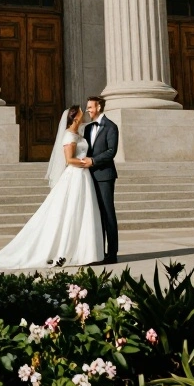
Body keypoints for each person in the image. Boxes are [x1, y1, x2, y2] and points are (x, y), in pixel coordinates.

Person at [0, 105, 103, 270]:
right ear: (75, 117)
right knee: (71, 211)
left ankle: (84, 251)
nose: (84, 115)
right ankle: (66, 250)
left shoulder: (78, 134)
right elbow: (69, 160)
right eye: (81, 113)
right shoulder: (69, 135)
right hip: (75, 175)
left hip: (83, 177)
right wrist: (88, 162)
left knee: (81, 211)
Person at [83, 96, 119, 264]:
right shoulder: (88, 128)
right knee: (95, 215)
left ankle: (111, 254)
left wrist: (94, 161)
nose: (88, 109)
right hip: (89, 176)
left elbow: (112, 151)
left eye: (90, 107)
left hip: (105, 176)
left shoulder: (111, 127)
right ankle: (97, 252)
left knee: (107, 214)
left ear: (98, 107)